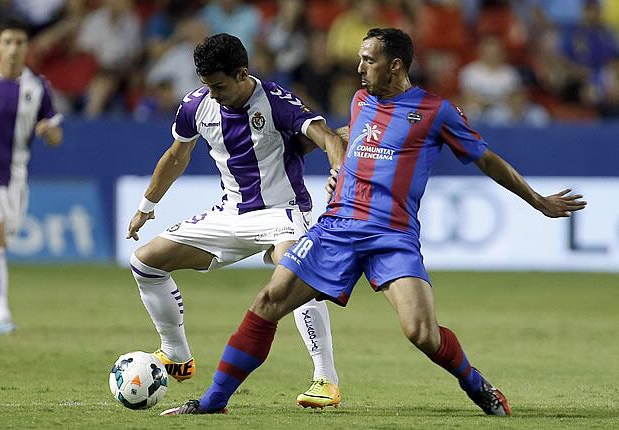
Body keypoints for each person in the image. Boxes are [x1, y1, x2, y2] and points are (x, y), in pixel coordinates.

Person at [160, 28, 587, 417]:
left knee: (421, 333)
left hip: (393, 235)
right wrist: (336, 169)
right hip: (337, 227)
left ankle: (476, 384)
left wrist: (537, 200)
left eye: (369, 60)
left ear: (395, 65)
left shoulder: (435, 111)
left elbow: (487, 159)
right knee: (268, 302)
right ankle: (213, 402)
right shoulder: (361, 101)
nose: (359, 67)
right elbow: (353, 140)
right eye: (361, 58)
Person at [126, 33, 346, 408]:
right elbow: (176, 156)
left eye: (219, 86)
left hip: (283, 212)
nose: (212, 94)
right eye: (206, 85)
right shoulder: (196, 106)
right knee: (145, 261)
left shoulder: (275, 101)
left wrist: (338, 170)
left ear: (243, 73)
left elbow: (327, 135)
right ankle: (176, 355)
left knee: (298, 272)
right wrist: (147, 205)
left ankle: (325, 379)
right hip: (230, 214)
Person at [0, 18, 63, 334]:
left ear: (27, 47)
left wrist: (49, 132)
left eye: (19, 42)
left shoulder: (37, 87)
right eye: (7, 41)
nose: (13, 48)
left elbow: (55, 135)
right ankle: (1, 315)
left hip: (15, 178)